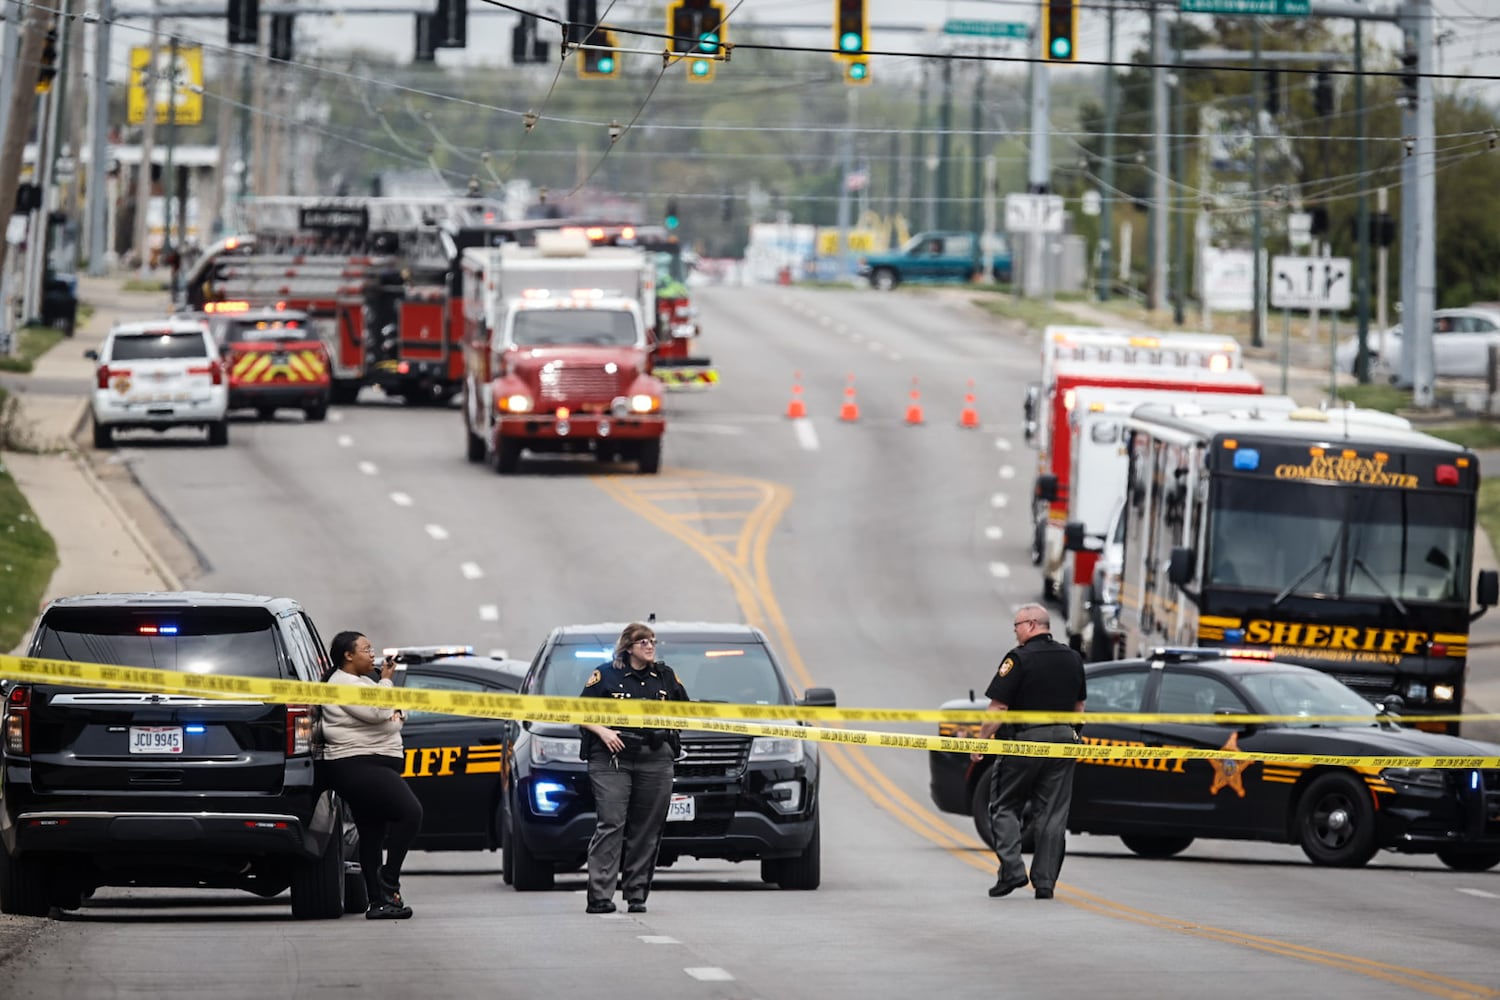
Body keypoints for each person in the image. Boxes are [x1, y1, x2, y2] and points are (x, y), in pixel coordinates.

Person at [973, 604, 1086, 901]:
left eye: (1017, 626)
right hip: (1063, 741)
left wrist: (981, 742)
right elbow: (1079, 709)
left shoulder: (1018, 659)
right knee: (1053, 815)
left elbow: (998, 708)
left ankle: (1012, 870)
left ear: (1033, 624)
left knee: (1004, 804)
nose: (1015, 632)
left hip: (1024, 740)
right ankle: (1045, 882)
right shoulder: (1073, 658)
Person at [578, 622, 690, 915]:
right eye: (643, 642)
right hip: (612, 756)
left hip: (655, 756)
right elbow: (578, 712)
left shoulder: (665, 677)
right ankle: (600, 895)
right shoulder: (606, 675)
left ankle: (636, 894)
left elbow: (687, 713)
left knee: (647, 828)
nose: (650, 646)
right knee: (611, 822)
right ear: (628, 647)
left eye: (653, 641)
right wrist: (603, 732)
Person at [320, 631, 424, 920]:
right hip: (359, 765)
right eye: (367, 649)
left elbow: (396, 712)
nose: (373, 654)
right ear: (348, 655)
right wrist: (388, 687)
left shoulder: (365, 682)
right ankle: (388, 880)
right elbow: (381, 715)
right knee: (411, 813)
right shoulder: (342, 684)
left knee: (373, 834)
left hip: (372, 763)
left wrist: (392, 706)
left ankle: (380, 902)